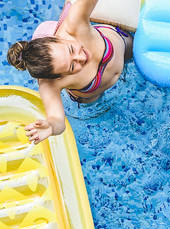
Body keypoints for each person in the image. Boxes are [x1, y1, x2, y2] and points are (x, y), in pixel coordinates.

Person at [6, 0, 133, 144]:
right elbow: (58, 121)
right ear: (58, 77)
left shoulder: (74, 22)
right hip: (92, 92)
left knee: (134, 47)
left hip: (121, 47)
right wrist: (51, 127)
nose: (81, 57)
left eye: (71, 49)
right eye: (72, 67)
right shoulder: (49, 84)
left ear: (57, 38)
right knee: (96, 109)